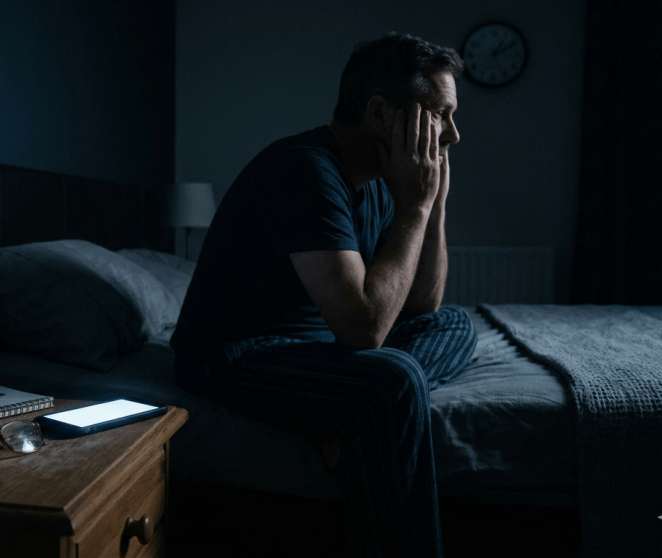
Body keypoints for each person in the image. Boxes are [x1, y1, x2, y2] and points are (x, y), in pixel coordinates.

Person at [170, 33, 478, 557]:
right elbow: (364, 329)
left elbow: (421, 304)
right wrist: (415, 210)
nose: (452, 134)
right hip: (239, 353)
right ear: (380, 112)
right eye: (440, 114)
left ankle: (342, 423)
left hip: (316, 345)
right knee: (394, 380)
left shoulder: (383, 182)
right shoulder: (305, 170)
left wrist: (434, 202)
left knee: (453, 323)